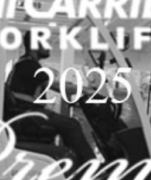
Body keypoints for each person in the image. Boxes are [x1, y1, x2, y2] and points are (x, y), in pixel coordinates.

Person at [6, 31, 96, 165]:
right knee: (72, 125)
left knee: (66, 124)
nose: (49, 46)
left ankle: (76, 163)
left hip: (25, 113)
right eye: (45, 43)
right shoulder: (29, 65)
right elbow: (57, 86)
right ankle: (90, 166)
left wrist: (82, 89)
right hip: (28, 114)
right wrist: (85, 90)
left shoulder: (24, 63)